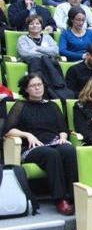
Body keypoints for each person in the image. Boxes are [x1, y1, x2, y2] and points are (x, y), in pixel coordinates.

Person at [5, 73, 78, 215]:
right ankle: (60, 199)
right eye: (33, 86)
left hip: (54, 141)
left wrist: (63, 137)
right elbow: (8, 130)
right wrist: (28, 135)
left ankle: (73, 196)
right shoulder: (21, 105)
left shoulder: (52, 105)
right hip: (32, 147)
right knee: (51, 154)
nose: (37, 88)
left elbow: (63, 128)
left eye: (39, 84)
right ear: (26, 89)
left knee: (69, 150)